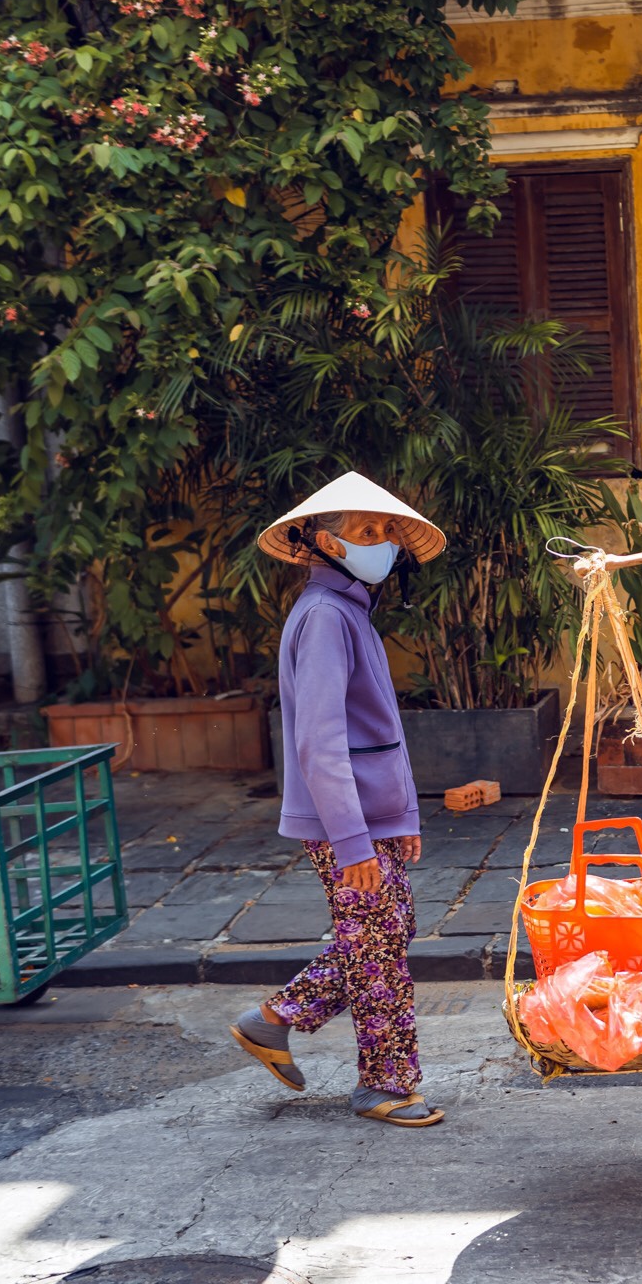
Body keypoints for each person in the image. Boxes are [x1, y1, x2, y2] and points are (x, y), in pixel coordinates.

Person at [228, 471, 448, 1127]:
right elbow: (322, 741)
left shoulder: (349, 610)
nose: (382, 545)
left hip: (368, 815)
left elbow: (377, 732)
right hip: (342, 821)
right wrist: (355, 840)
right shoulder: (325, 617)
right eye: (366, 533)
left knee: (386, 930)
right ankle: (384, 1084)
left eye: (385, 533)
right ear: (323, 542)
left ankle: (273, 1019)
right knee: (377, 950)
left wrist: (399, 817)